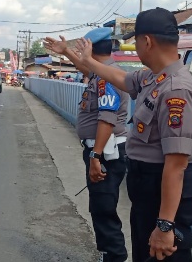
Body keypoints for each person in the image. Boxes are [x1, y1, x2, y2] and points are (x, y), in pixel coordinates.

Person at [74, 8, 192, 262]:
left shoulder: (175, 90)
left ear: (147, 41)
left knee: (162, 255)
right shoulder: (153, 78)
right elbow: (122, 79)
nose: (135, 46)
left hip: (162, 193)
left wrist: (166, 226)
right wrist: (89, 62)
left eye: (135, 41)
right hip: (148, 191)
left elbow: (176, 166)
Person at [44, 28, 130, 262]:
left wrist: (95, 156)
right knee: (100, 205)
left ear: (89, 48)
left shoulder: (106, 77)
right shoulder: (101, 72)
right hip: (103, 151)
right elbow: (86, 68)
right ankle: (109, 254)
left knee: (103, 207)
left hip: (105, 153)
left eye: (82, 48)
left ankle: (114, 256)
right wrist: (67, 52)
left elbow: (107, 118)